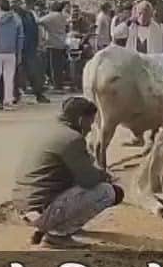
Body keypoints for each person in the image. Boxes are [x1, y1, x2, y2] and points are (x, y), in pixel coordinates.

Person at [12, 97, 122, 248]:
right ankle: (57, 235)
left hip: (24, 206)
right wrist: (105, 176)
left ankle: (52, 227)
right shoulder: (73, 139)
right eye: (90, 123)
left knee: (75, 180)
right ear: (81, 120)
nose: (90, 129)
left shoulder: (47, 129)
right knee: (109, 192)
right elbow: (88, 180)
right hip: (40, 209)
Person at [0, 0, 24, 113]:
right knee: (9, 78)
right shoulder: (16, 19)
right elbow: (20, 37)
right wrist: (19, 53)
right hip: (11, 52)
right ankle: (8, 102)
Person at [14, 0, 49, 104]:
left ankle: (37, 94)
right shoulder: (21, 14)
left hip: (29, 48)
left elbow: (35, 30)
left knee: (33, 72)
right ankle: (16, 94)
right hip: (23, 48)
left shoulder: (29, 14)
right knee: (20, 72)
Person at [38, 1, 68, 90]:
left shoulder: (52, 16)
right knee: (58, 65)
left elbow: (39, 21)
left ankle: (56, 85)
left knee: (53, 66)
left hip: (53, 44)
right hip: (61, 42)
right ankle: (58, 83)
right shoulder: (62, 16)